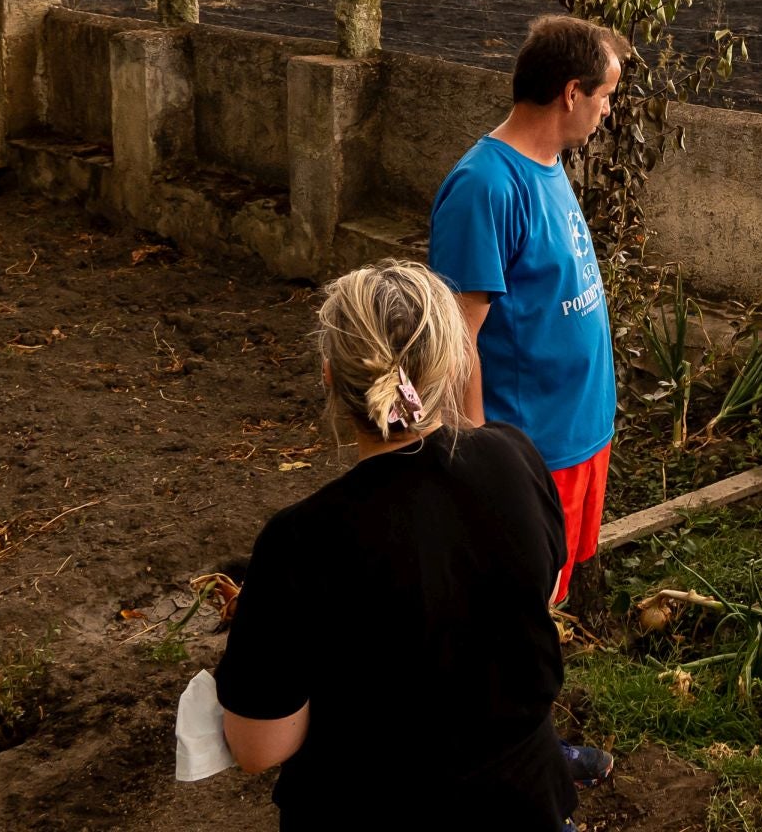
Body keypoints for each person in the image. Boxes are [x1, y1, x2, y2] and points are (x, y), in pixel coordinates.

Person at [213, 260, 578, 829]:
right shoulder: (515, 457)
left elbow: (259, 747)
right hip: (526, 804)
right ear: (452, 364)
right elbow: (544, 589)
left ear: (330, 376)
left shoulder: (300, 540)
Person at [426, 14, 627, 789]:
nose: (608, 110)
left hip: (575, 439)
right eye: (605, 96)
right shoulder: (485, 187)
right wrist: (479, 461)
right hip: (526, 453)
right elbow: (457, 338)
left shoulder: (547, 165)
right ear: (570, 93)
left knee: (535, 613)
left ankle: (527, 749)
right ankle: (509, 776)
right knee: (507, 619)